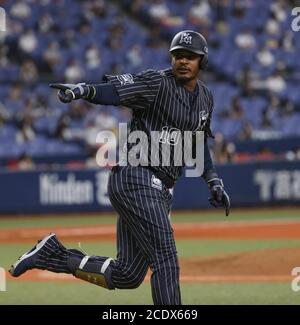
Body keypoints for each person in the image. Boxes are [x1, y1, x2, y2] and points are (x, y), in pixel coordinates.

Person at [10, 30, 230, 305]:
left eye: (190, 57)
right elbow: (116, 92)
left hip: (159, 190)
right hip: (136, 177)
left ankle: (52, 254)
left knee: (128, 275)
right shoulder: (156, 83)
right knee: (166, 258)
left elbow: (196, 142)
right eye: (177, 56)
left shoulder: (206, 98)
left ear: (202, 62)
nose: (183, 61)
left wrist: (213, 180)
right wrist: (85, 90)